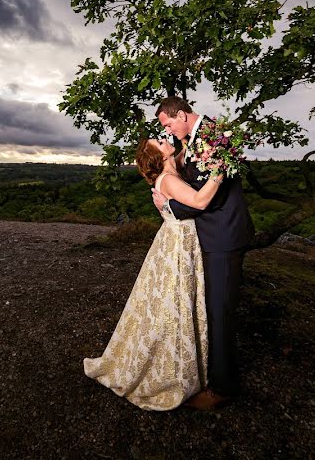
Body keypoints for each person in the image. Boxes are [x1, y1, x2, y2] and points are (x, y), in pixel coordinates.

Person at [83, 137, 225, 410]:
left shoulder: (172, 172)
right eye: (160, 142)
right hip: (178, 244)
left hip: (175, 241)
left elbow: (185, 151)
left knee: (168, 299)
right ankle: (169, 369)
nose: (164, 138)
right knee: (174, 300)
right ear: (158, 156)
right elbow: (199, 200)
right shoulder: (169, 180)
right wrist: (219, 170)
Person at [152, 96, 255, 410]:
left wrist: (168, 206)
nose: (167, 131)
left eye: (167, 124)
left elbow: (206, 197)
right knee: (211, 308)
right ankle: (212, 372)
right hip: (212, 235)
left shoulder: (213, 139)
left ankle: (223, 388)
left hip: (223, 236)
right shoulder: (198, 139)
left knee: (220, 312)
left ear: (181, 114)